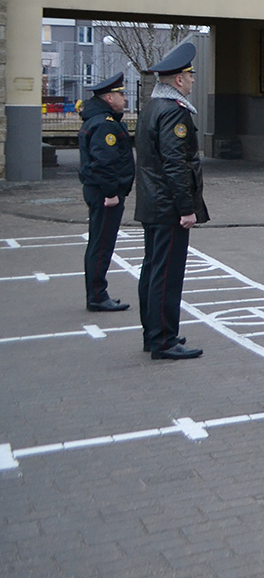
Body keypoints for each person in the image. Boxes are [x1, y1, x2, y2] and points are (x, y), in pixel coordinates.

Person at [134, 41, 208, 360]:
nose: (193, 80)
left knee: (153, 269)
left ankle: (154, 333)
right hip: (168, 207)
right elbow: (175, 164)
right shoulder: (173, 113)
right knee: (166, 273)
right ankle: (164, 338)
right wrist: (186, 209)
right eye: (190, 76)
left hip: (153, 203)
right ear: (178, 80)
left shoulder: (152, 107)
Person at [77, 72, 134, 313]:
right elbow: (104, 163)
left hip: (99, 191)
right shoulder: (104, 124)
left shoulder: (99, 120)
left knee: (99, 242)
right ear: (109, 98)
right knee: (102, 244)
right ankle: (97, 296)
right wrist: (111, 193)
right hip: (105, 194)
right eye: (121, 94)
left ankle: (97, 293)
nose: (125, 99)